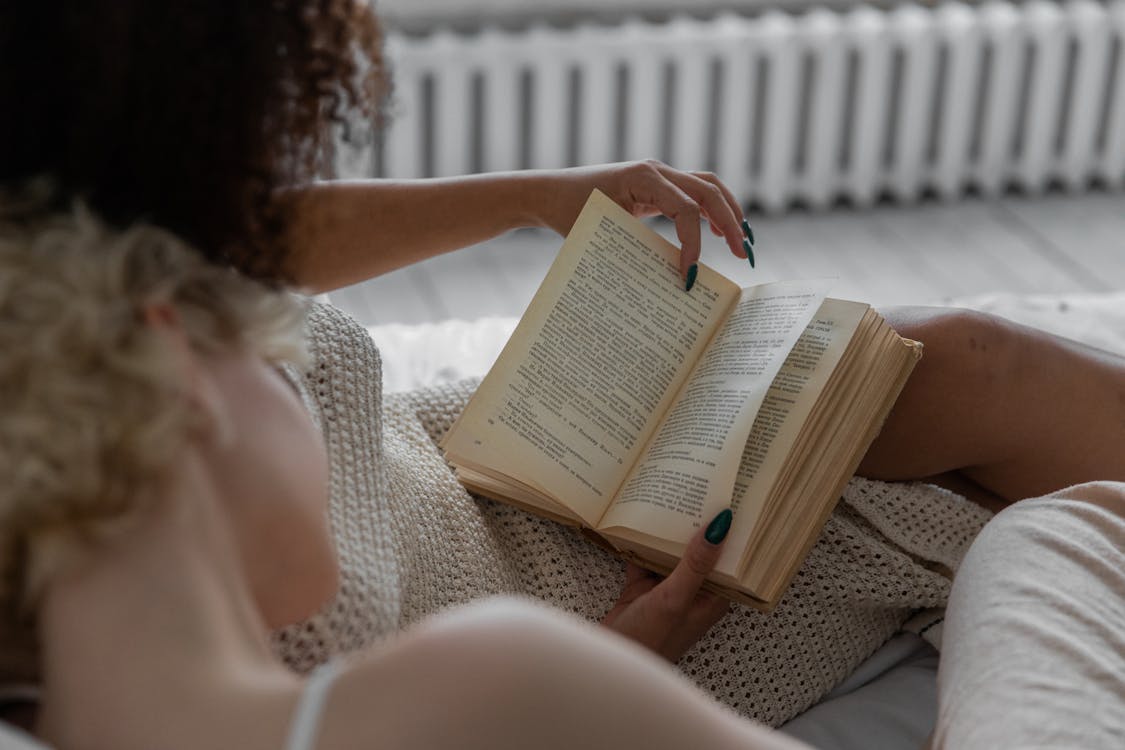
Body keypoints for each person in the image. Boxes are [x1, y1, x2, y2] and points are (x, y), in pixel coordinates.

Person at [1, 0, 1122, 745]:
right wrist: (622, 664)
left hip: (483, 476)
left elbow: (202, 231)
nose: (243, 306)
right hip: (609, 596)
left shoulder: (68, 436)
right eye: (234, 342)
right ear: (166, 385)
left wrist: (529, 197)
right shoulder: (484, 684)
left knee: (933, 368)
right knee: (1011, 476)